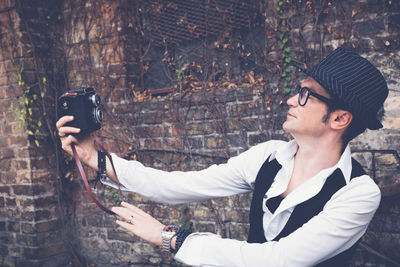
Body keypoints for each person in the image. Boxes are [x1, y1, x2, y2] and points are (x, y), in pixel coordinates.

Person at [56, 47, 388, 267]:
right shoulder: (268, 157)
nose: (290, 100)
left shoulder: (358, 194)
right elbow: (179, 185)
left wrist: (171, 238)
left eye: (305, 95)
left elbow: (278, 260)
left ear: (339, 119)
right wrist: (95, 158)